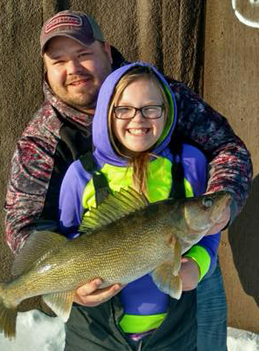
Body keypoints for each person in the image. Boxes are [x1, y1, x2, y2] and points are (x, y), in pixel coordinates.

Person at [4, 9, 252, 351]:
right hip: (102, 303)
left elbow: (228, 148)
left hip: (185, 266)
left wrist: (222, 203)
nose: (72, 69)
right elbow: (23, 224)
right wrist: (68, 284)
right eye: (58, 60)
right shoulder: (42, 139)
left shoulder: (159, 95)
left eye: (83, 55)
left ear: (106, 52)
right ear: (46, 69)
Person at [58, 61, 223, 350]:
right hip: (94, 335)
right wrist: (74, 289)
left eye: (151, 108)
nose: (139, 119)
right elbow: (66, 240)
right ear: (107, 114)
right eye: (124, 109)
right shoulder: (80, 174)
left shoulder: (190, 164)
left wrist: (198, 265)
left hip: (173, 334)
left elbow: (208, 234)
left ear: (167, 110)